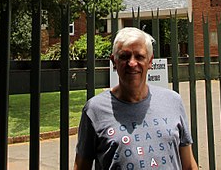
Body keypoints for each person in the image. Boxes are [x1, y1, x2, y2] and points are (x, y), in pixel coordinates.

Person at [73, 27, 198, 170]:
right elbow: (81, 166)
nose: (132, 63)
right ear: (114, 61)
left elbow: (188, 164)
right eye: (124, 56)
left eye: (139, 56)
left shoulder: (173, 101)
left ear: (150, 62)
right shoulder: (95, 110)